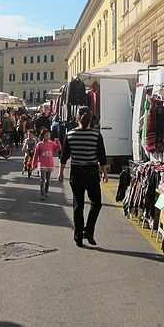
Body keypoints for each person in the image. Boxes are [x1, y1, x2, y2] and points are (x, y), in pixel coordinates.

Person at [58, 106, 108, 247]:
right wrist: (105, 173)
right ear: (91, 118)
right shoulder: (96, 135)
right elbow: (102, 156)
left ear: (77, 118)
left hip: (76, 172)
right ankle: (89, 230)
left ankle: (78, 236)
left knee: (78, 206)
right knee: (96, 203)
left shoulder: (70, 134)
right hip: (91, 172)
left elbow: (64, 156)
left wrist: (61, 172)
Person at [32, 129, 61, 200]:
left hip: (49, 164)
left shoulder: (51, 143)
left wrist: (57, 142)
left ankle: (46, 191)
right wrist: (34, 164)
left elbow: (58, 148)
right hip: (42, 164)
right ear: (42, 136)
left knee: (48, 180)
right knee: (42, 179)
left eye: (49, 135)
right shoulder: (39, 144)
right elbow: (36, 155)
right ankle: (42, 194)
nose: (48, 137)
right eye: (46, 135)